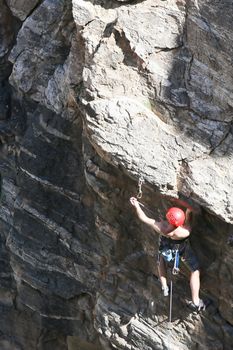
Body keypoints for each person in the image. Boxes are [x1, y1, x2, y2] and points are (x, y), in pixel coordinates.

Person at [130, 196, 206, 312]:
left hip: (166, 248)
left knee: (161, 261)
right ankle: (195, 300)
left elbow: (144, 218)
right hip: (182, 248)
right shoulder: (185, 231)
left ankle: (164, 286)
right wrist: (180, 202)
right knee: (195, 270)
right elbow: (191, 210)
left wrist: (136, 205)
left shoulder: (161, 227)